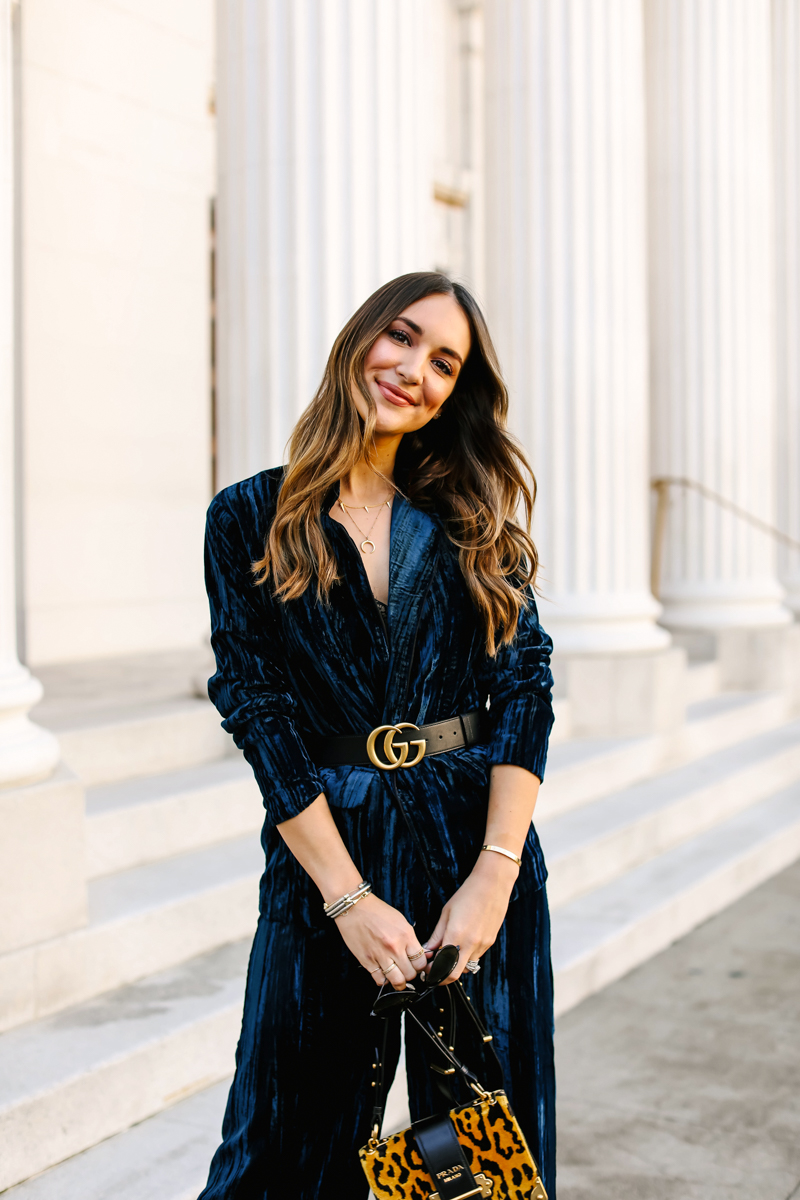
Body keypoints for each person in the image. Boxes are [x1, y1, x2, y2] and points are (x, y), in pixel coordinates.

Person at [199, 271, 556, 1199]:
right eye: (401, 337)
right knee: (282, 1146)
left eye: (445, 363)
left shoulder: (471, 518)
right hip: (329, 845)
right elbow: (259, 711)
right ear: (361, 338)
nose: (415, 371)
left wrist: (494, 876)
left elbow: (524, 689)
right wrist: (347, 899)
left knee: (479, 1158)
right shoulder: (247, 515)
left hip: (471, 841)